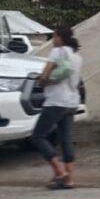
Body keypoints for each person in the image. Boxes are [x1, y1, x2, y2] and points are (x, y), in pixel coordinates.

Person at [29, 26, 83, 190]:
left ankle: (60, 173)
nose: (53, 40)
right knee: (65, 140)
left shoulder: (57, 52)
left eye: (54, 36)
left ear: (60, 38)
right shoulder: (76, 56)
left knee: (38, 136)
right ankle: (70, 178)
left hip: (56, 101)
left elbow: (45, 76)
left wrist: (42, 80)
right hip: (72, 101)